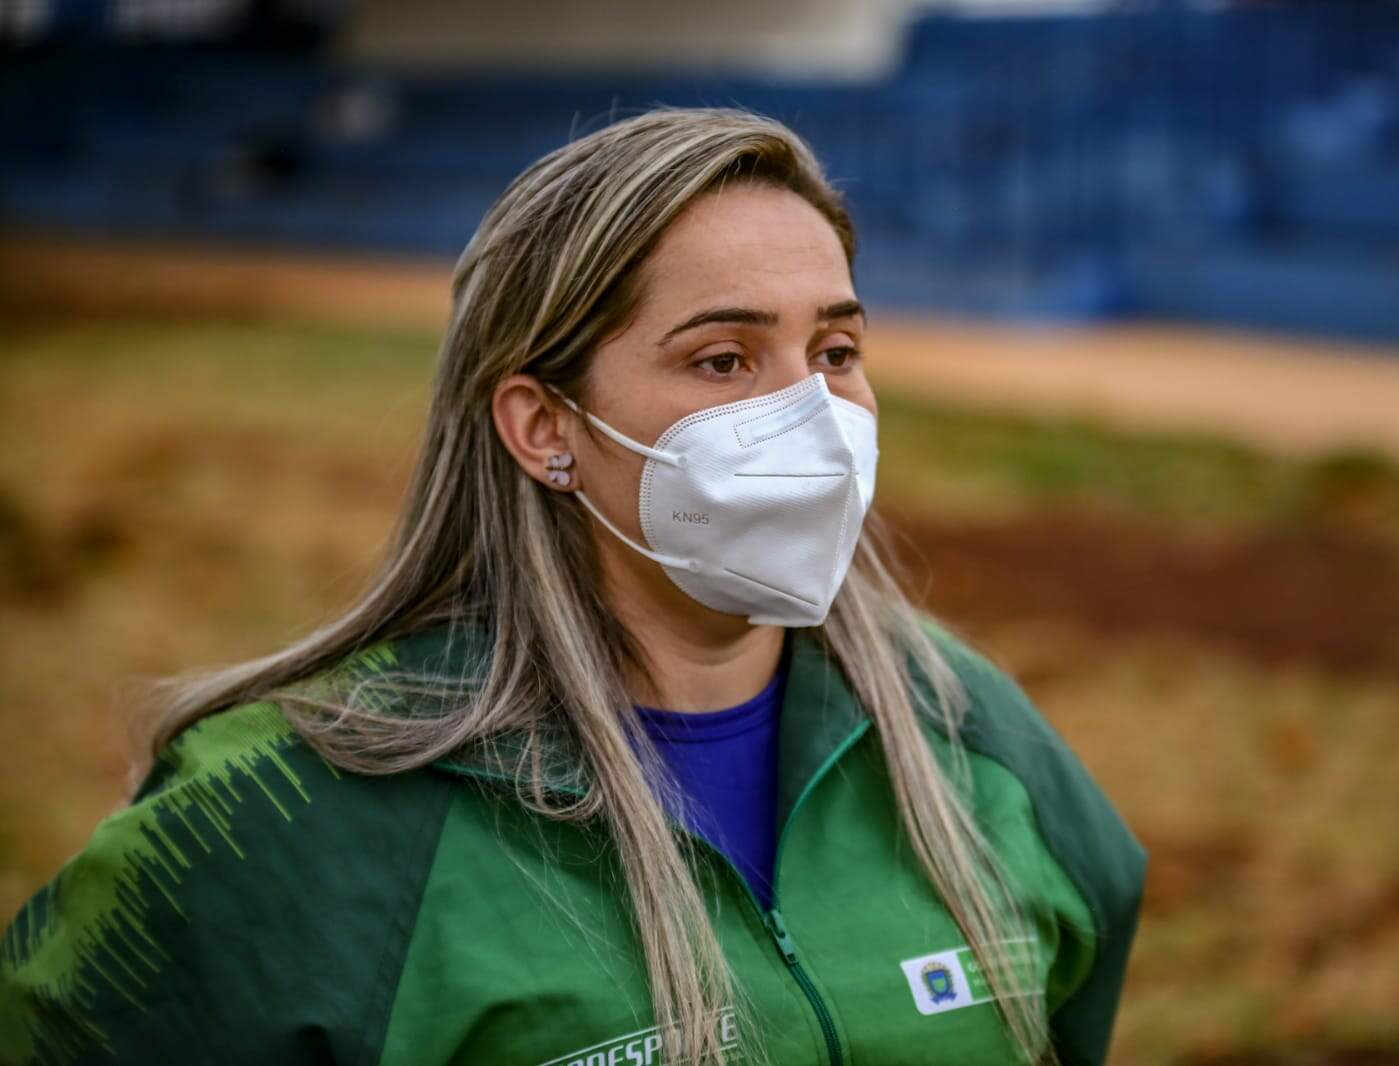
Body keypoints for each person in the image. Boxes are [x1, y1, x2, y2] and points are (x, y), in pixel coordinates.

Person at [0, 107, 1145, 1066]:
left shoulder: (973, 738)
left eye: (836, 352)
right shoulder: (293, 814)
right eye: (724, 359)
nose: (815, 415)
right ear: (545, 426)